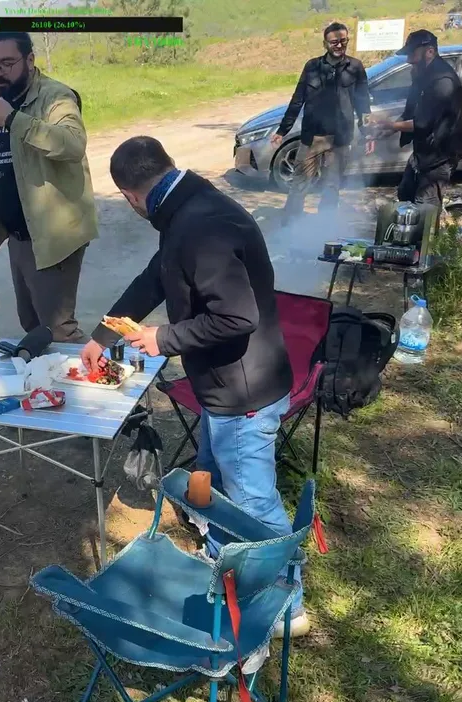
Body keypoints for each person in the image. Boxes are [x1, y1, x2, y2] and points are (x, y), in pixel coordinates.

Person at [80, 137, 308, 638]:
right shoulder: (184, 207)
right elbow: (156, 278)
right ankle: (221, 558)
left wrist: (163, 338)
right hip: (222, 386)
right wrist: (103, 334)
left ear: (130, 196)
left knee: (254, 501)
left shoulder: (200, 226)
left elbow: (237, 316)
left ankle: (289, 604)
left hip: (244, 393)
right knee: (212, 477)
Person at [0, 32, 97, 344]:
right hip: (18, 235)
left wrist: (12, 118)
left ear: (30, 60)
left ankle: (96, 370)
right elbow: (10, 164)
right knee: (32, 324)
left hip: (51, 235)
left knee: (59, 331)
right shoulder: (4, 102)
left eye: (7, 63)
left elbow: (73, 144)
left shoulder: (55, 98)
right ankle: (49, 377)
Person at [272, 22, 370, 218]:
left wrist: (368, 133)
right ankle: (290, 223)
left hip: (340, 139)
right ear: (325, 44)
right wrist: (282, 130)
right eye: (334, 42)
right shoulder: (312, 66)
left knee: (332, 187)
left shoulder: (356, 67)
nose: (339, 45)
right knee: (299, 183)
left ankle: (324, 226)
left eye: (343, 41)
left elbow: (363, 104)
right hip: (312, 138)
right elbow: (297, 100)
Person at [373, 29, 462, 207]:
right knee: (405, 194)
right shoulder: (422, 76)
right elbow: (411, 112)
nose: (409, 60)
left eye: (412, 54)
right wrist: (389, 130)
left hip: (439, 156)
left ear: (430, 51)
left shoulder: (443, 81)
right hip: (423, 152)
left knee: (426, 207)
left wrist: (390, 124)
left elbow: (423, 123)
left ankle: (427, 225)